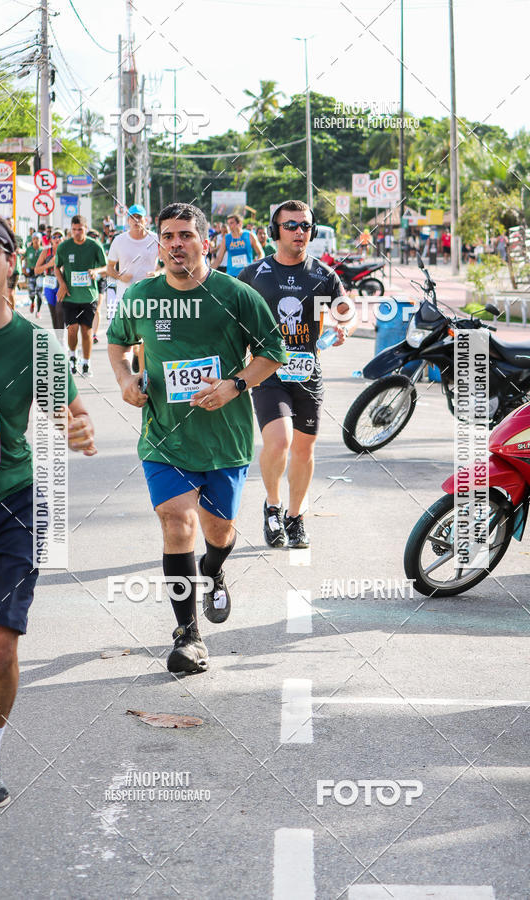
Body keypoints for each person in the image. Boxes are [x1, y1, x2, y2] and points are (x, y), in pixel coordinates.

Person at [107, 202, 286, 674]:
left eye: (186, 235)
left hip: (224, 441)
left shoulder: (237, 295)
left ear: (205, 243)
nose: (176, 244)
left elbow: (274, 352)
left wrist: (236, 385)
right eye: (167, 236)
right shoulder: (140, 296)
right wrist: (126, 379)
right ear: (158, 244)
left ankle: (213, 569)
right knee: (176, 523)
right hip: (165, 437)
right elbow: (118, 344)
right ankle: (188, 635)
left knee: (218, 533)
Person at [0, 207, 96, 809]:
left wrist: (76, 429)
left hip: (12, 506)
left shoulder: (36, 343)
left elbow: (65, 414)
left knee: (2, 643)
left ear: (12, 261)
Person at [238, 199, 354, 550]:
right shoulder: (253, 275)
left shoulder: (323, 274)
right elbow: (232, 319)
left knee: (303, 451)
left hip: (308, 373)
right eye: (291, 225)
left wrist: (344, 322)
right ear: (275, 232)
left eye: (305, 226)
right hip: (268, 372)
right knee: (280, 442)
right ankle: (272, 507)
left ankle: (295, 515)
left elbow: (345, 309)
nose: (299, 232)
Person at [106, 204, 159, 373]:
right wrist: (120, 277)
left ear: (146, 220)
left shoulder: (155, 238)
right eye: (133, 218)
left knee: (146, 336)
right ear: (128, 220)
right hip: (127, 296)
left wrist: (159, 273)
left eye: (139, 217)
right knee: (133, 336)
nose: (136, 221)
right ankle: (136, 359)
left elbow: (169, 263)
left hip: (151, 295)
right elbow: (109, 268)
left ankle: (142, 364)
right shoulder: (119, 240)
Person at [54, 214, 107, 377]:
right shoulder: (64, 247)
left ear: (86, 228)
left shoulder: (94, 246)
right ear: (71, 229)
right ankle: (72, 357)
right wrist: (62, 284)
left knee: (86, 331)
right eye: (74, 229)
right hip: (70, 296)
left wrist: (95, 271)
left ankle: (86, 363)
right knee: (72, 329)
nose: (77, 232)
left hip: (88, 297)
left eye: (80, 229)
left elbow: (106, 267)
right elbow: (57, 267)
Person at [212, 212, 263, 277]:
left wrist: (256, 264)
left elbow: (261, 253)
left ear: (239, 223)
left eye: (232, 223)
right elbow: (219, 258)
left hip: (247, 274)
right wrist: (208, 272)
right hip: (232, 275)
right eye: (228, 223)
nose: (229, 226)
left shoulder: (249, 235)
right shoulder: (226, 238)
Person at [34, 228, 65, 330]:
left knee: (60, 311)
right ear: (51, 240)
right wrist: (49, 264)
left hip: (62, 284)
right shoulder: (46, 252)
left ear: (63, 239)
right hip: (49, 285)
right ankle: (58, 339)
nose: (57, 239)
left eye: (60, 236)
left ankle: (61, 340)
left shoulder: (67, 252)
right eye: (54, 237)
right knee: (54, 314)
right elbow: (37, 270)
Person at [87, 228, 106, 344]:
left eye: (95, 238)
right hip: (87, 283)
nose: (94, 240)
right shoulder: (83, 251)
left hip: (99, 282)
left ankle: (94, 334)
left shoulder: (100, 249)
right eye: (91, 238)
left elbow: (106, 270)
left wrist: (96, 272)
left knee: (97, 309)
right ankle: (87, 331)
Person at [23, 233, 43, 318]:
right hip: (30, 273)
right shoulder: (29, 249)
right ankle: (32, 302)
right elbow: (22, 258)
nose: (36, 240)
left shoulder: (43, 250)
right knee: (31, 292)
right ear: (32, 240)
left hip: (40, 274)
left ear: (40, 240)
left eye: (37, 239)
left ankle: (38, 311)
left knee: (39, 293)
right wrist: (23, 268)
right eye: (34, 239)